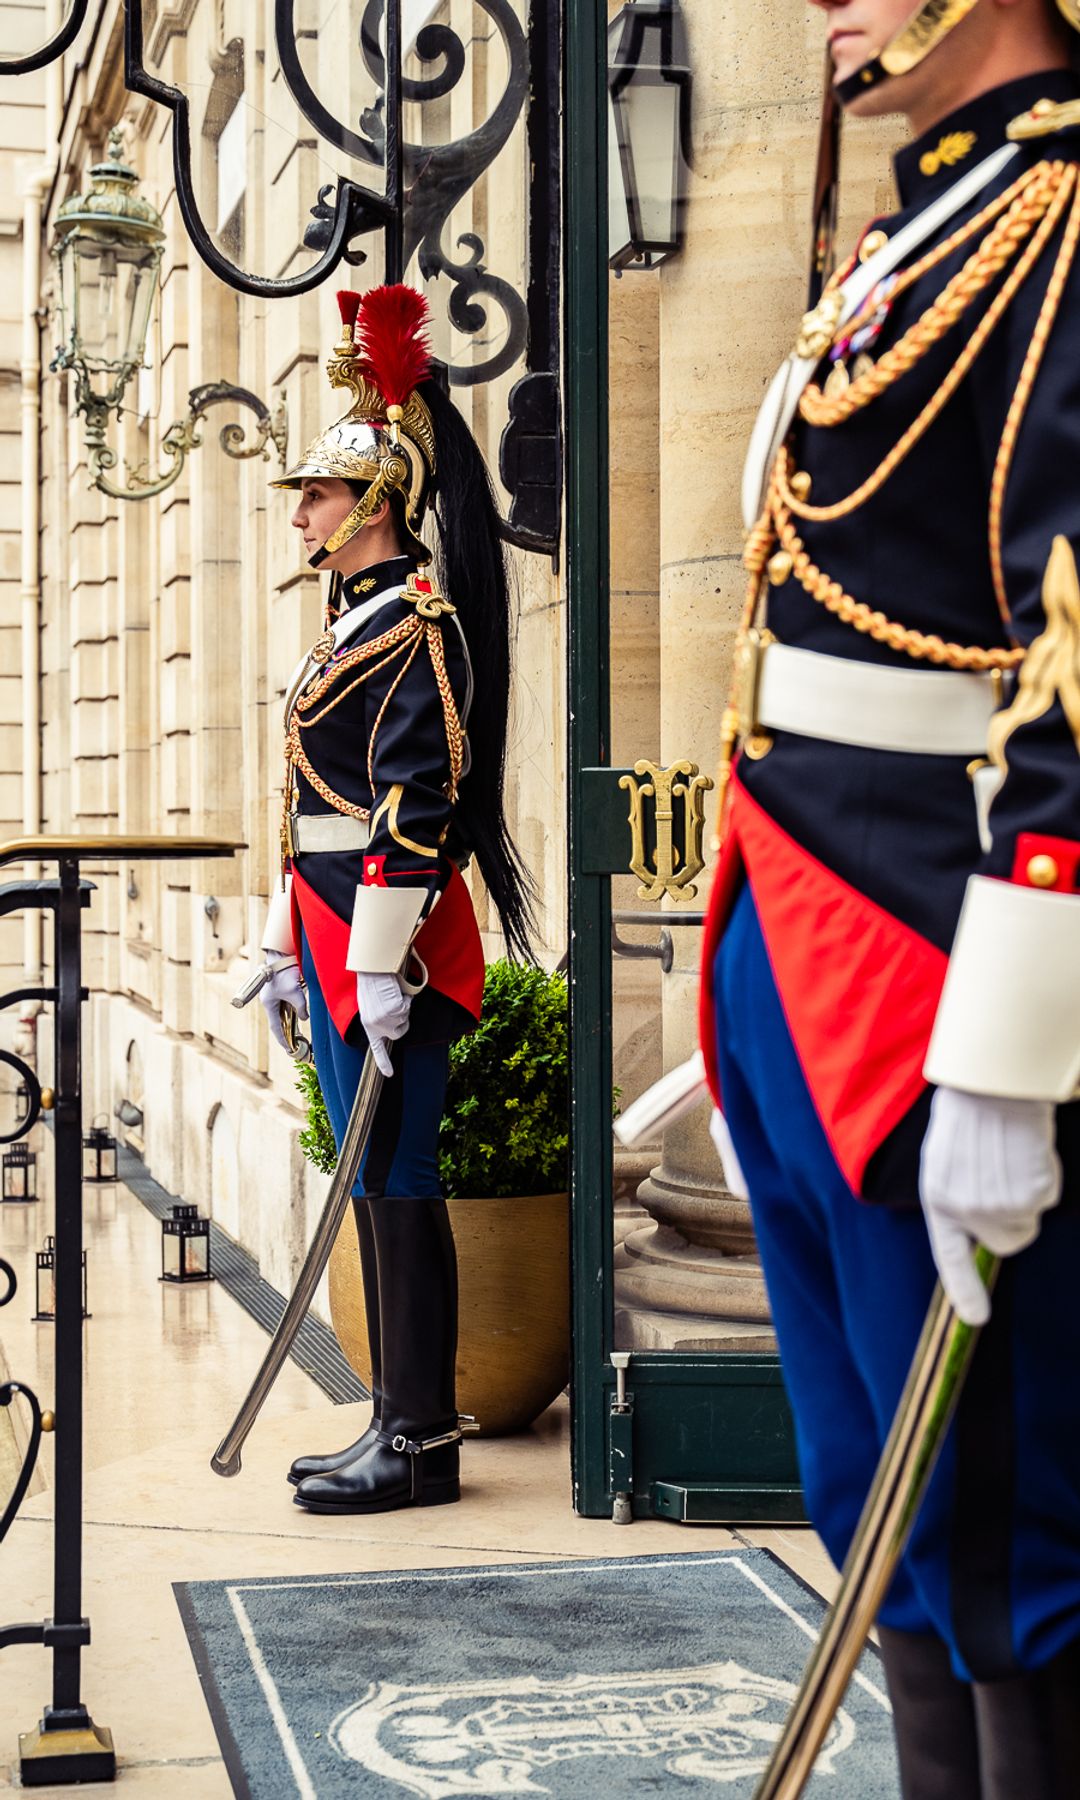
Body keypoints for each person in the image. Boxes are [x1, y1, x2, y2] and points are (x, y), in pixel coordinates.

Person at [698, 2, 1080, 1792]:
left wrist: (1016, 1038)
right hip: (801, 913)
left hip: (937, 951)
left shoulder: (1064, 210)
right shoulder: (917, 231)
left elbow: (1071, 656)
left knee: (1009, 1539)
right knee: (883, 1502)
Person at [256, 284, 533, 1515]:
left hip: (396, 946)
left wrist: (378, 963)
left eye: (316, 492)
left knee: (400, 1174)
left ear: (375, 505)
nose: (301, 510)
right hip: (330, 933)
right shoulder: (348, 624)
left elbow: (416, 808)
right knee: (370, 1177)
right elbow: (306, 796)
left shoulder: (418, 625)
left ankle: (422, 1439)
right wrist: (281, 937)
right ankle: (390, 1418)